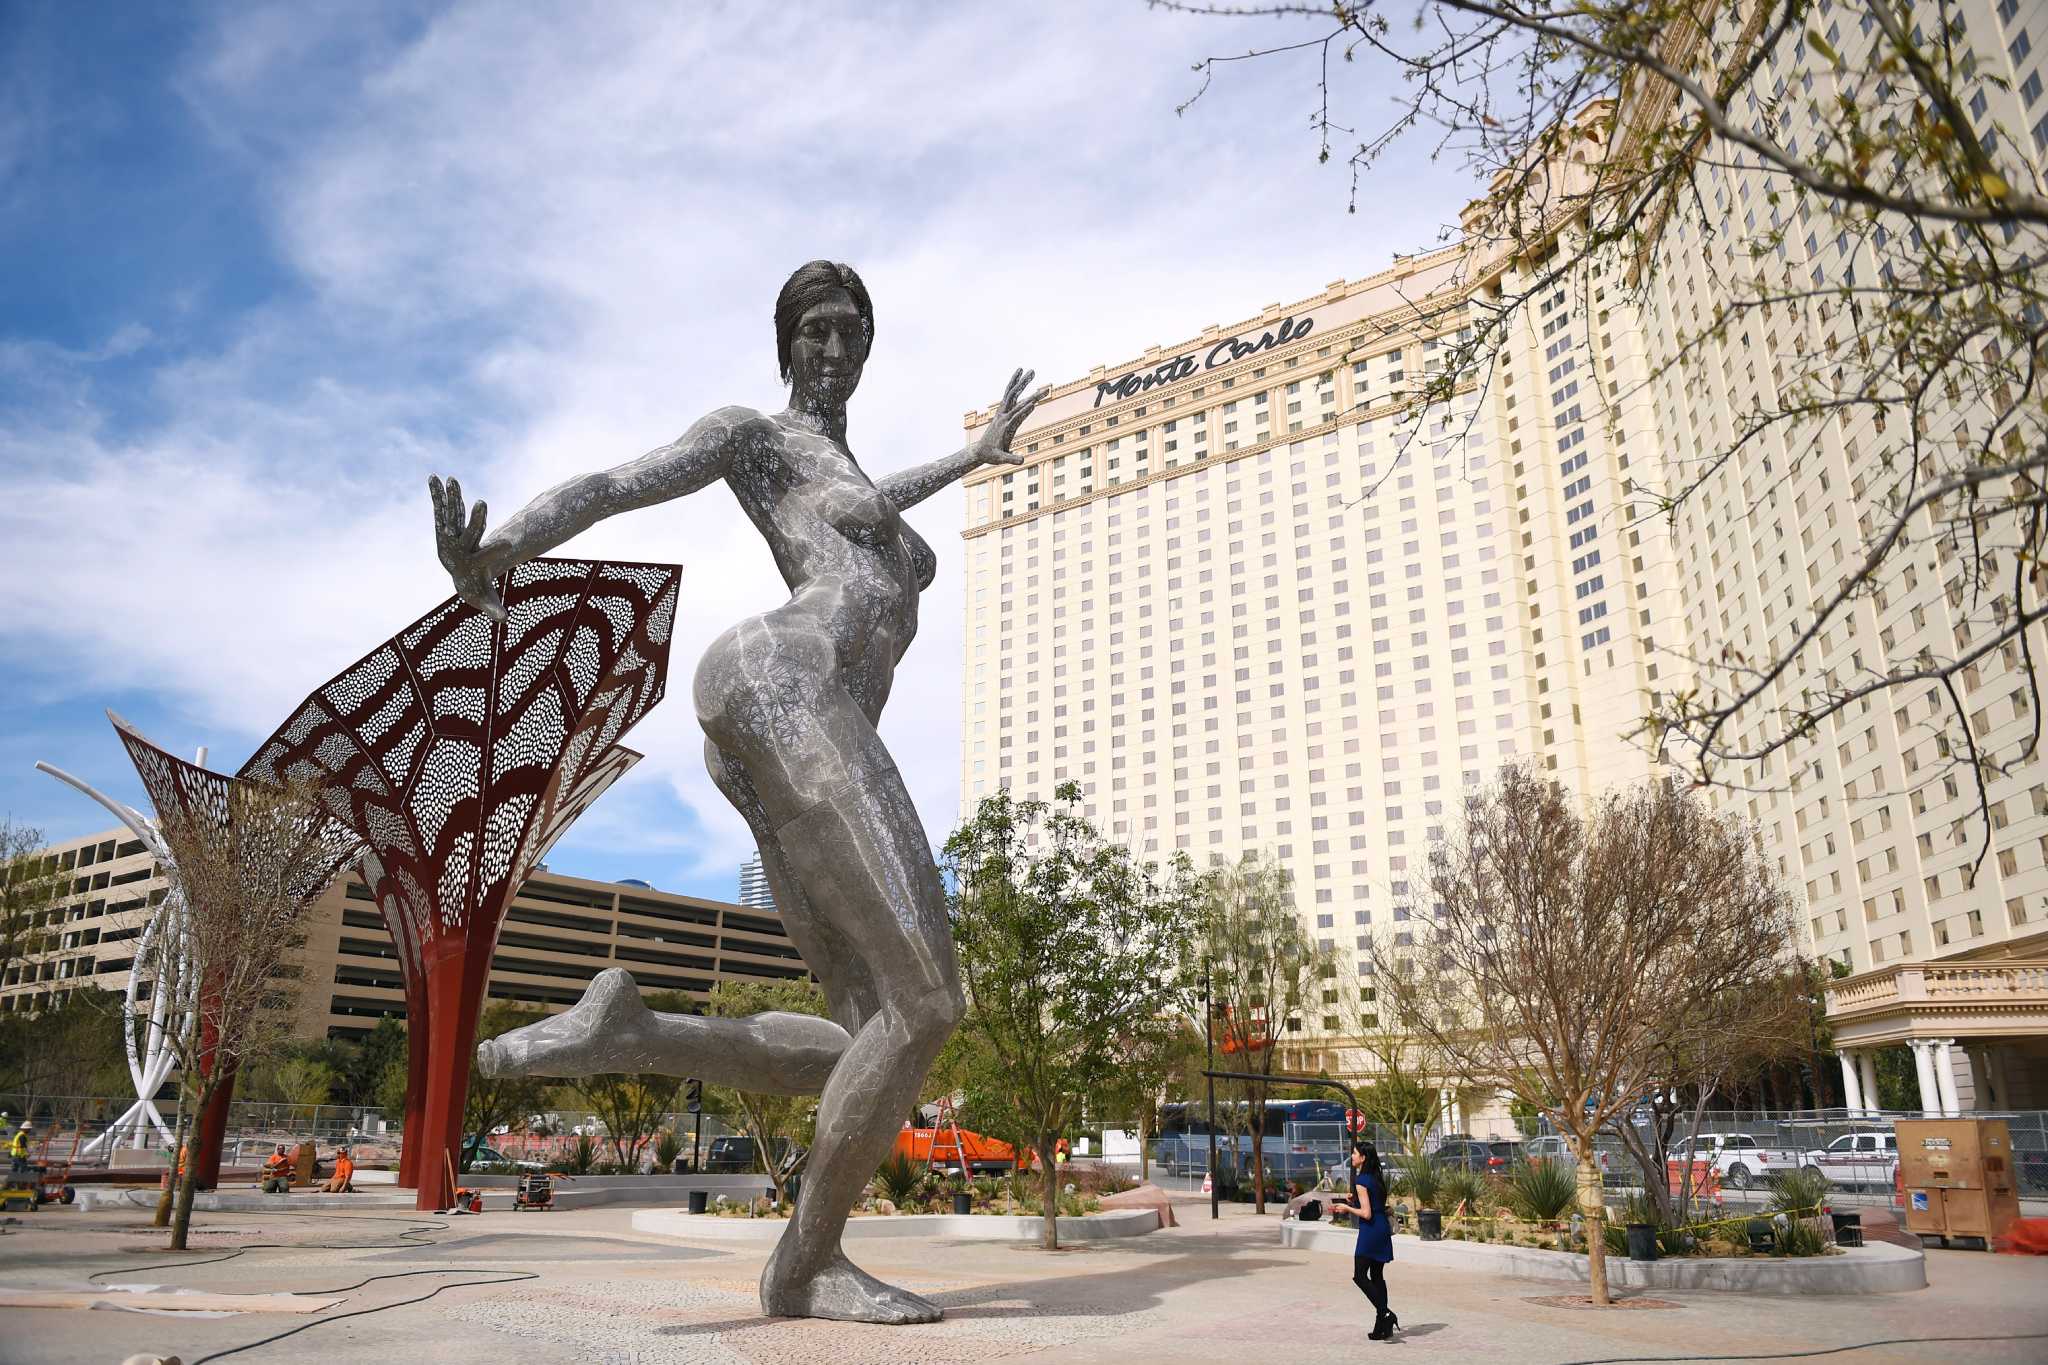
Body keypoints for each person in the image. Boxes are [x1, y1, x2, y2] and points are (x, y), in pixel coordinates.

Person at [433, 261, 1043, 1325]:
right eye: (813, 329)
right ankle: (806, 1267)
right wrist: (500, 548)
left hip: (806, 734)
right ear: (784, 343)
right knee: (931, 1001)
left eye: (851, 330)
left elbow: (873, 531)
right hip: (780, 678)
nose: (832, 348)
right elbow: (624, 481)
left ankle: (628, 1033)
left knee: (878, 1039)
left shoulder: (854, 475)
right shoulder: (761, 441)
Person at [1328, 1139, 1399, 1341]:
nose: (1352, 1156)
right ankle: (1382, 1327)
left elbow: (1366, 1214)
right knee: (1377, 1276)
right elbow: (1375, 1204)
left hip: (1370, 1231)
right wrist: (1355, 1199)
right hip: (1381, 1229)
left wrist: (1347, 1207)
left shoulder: (1361, 1181)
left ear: (1363, 1158)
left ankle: (1385, 1313)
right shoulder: (1376, 1178)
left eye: (1354, 1153)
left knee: (1359, 1276)